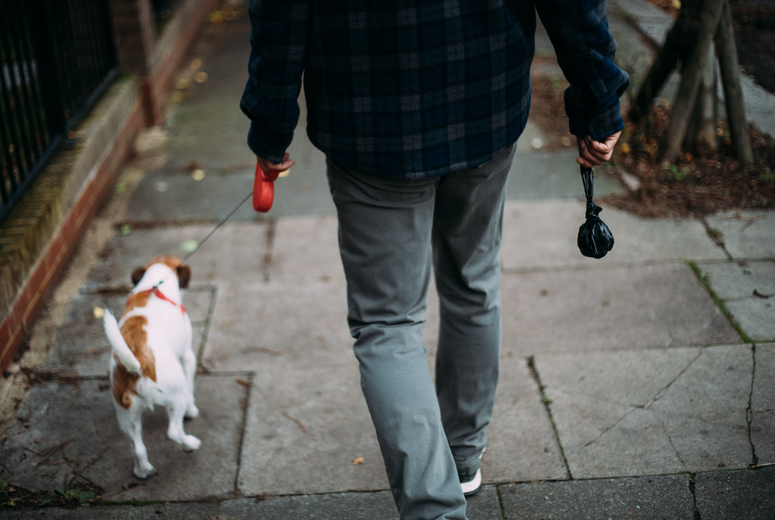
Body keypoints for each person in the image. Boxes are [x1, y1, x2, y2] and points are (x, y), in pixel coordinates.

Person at [241, 1, 629, 518]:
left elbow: (279, 10)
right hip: (483, 97)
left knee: (387, 322)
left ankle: (434, 509)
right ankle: (463, 460)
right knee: (473, 281)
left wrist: (271, 123)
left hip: (366, 117)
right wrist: (598, 98)